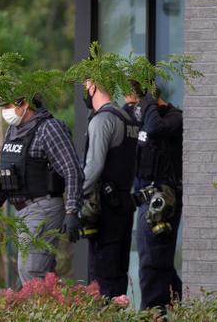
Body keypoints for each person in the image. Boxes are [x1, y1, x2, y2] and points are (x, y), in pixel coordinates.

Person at [0, 95, 84, 284]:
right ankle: (62, 311)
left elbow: (72, 169)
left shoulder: (49, 128)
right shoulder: (13, 130)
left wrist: (72, 210)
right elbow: (8, 170)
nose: (5, 111)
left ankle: (41, 312)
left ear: (25, 103)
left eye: (8, 105)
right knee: (39, 274)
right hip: (22, 211)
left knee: (31, 272)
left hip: (43, 207)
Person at [81, 79, 139, 298]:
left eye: (86, 86)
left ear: (94, 86)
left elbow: (94, 166)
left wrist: (76, 196)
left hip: (106, 208)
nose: (85, 92)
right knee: (118, 273)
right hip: (124, 203)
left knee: (102, 278)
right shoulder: (128, 119)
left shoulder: (102, 120)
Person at [130, 88, 183, 312]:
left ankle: (151, 312)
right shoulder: (143, 115)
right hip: (145, 200)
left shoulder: (175, 117)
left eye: (134, 101)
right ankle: (181, 305)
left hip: (163, 201)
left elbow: (154, 128)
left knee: (153, 261)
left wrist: (148, 101)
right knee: (154, 259)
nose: (133, 107)